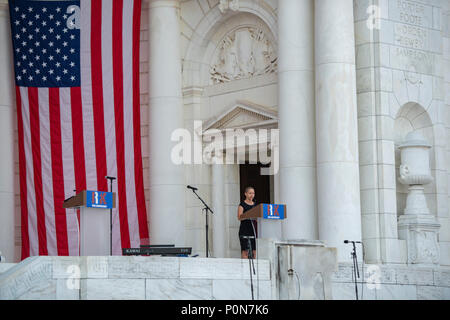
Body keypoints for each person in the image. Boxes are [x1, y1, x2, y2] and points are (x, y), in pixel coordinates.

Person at [237, 186, 257, 259]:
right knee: (245, 251)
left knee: (254, 251)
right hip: (244, 229)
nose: (252, 195)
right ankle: (245, 269)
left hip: (253, 230)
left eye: (253, 193)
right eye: (250, 193)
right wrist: (249, 215)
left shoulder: (255, 205)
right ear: (245, 194)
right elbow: (239, 217)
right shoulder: (242, 205)